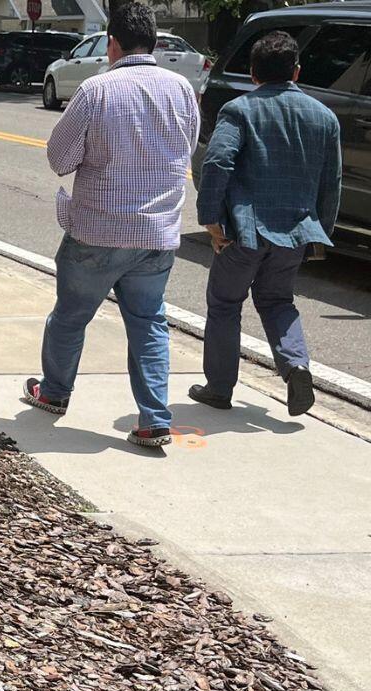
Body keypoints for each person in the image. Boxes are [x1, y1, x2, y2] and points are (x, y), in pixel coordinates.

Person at [23, 2, 200, 448]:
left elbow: (59, 159)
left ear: (112, 44)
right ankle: (154, 418)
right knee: (149, 322)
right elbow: (189, 148)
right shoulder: (182, 90)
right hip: (157, 236)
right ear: (156, 43)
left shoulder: (96, 90)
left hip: (97, 233)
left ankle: (55, 393)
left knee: (70, 317)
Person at [191, 31, 341, 417]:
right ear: (296, 71)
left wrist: (210, 219)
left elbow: (217, 162)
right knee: (277, 302)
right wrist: (319, 232)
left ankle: (219, 388)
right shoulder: (324, 118)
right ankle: (296, 366)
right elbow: (331, 183)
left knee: (225, 303)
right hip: (295, 231)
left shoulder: (239, 111)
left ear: (253, 72)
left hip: (245, 230)